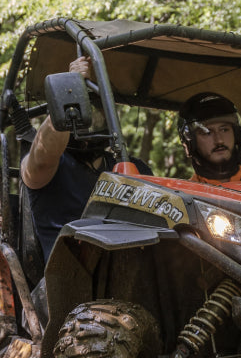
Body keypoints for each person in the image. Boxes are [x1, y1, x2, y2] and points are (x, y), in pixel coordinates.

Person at [21, 56, 150, 261]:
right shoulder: (49, 166)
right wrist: (69, 89)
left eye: (97, 114)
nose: (89, 122)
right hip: (68, 279)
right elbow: (44, 153)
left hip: (132, 270)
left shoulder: (133, 168)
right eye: (79, 113)